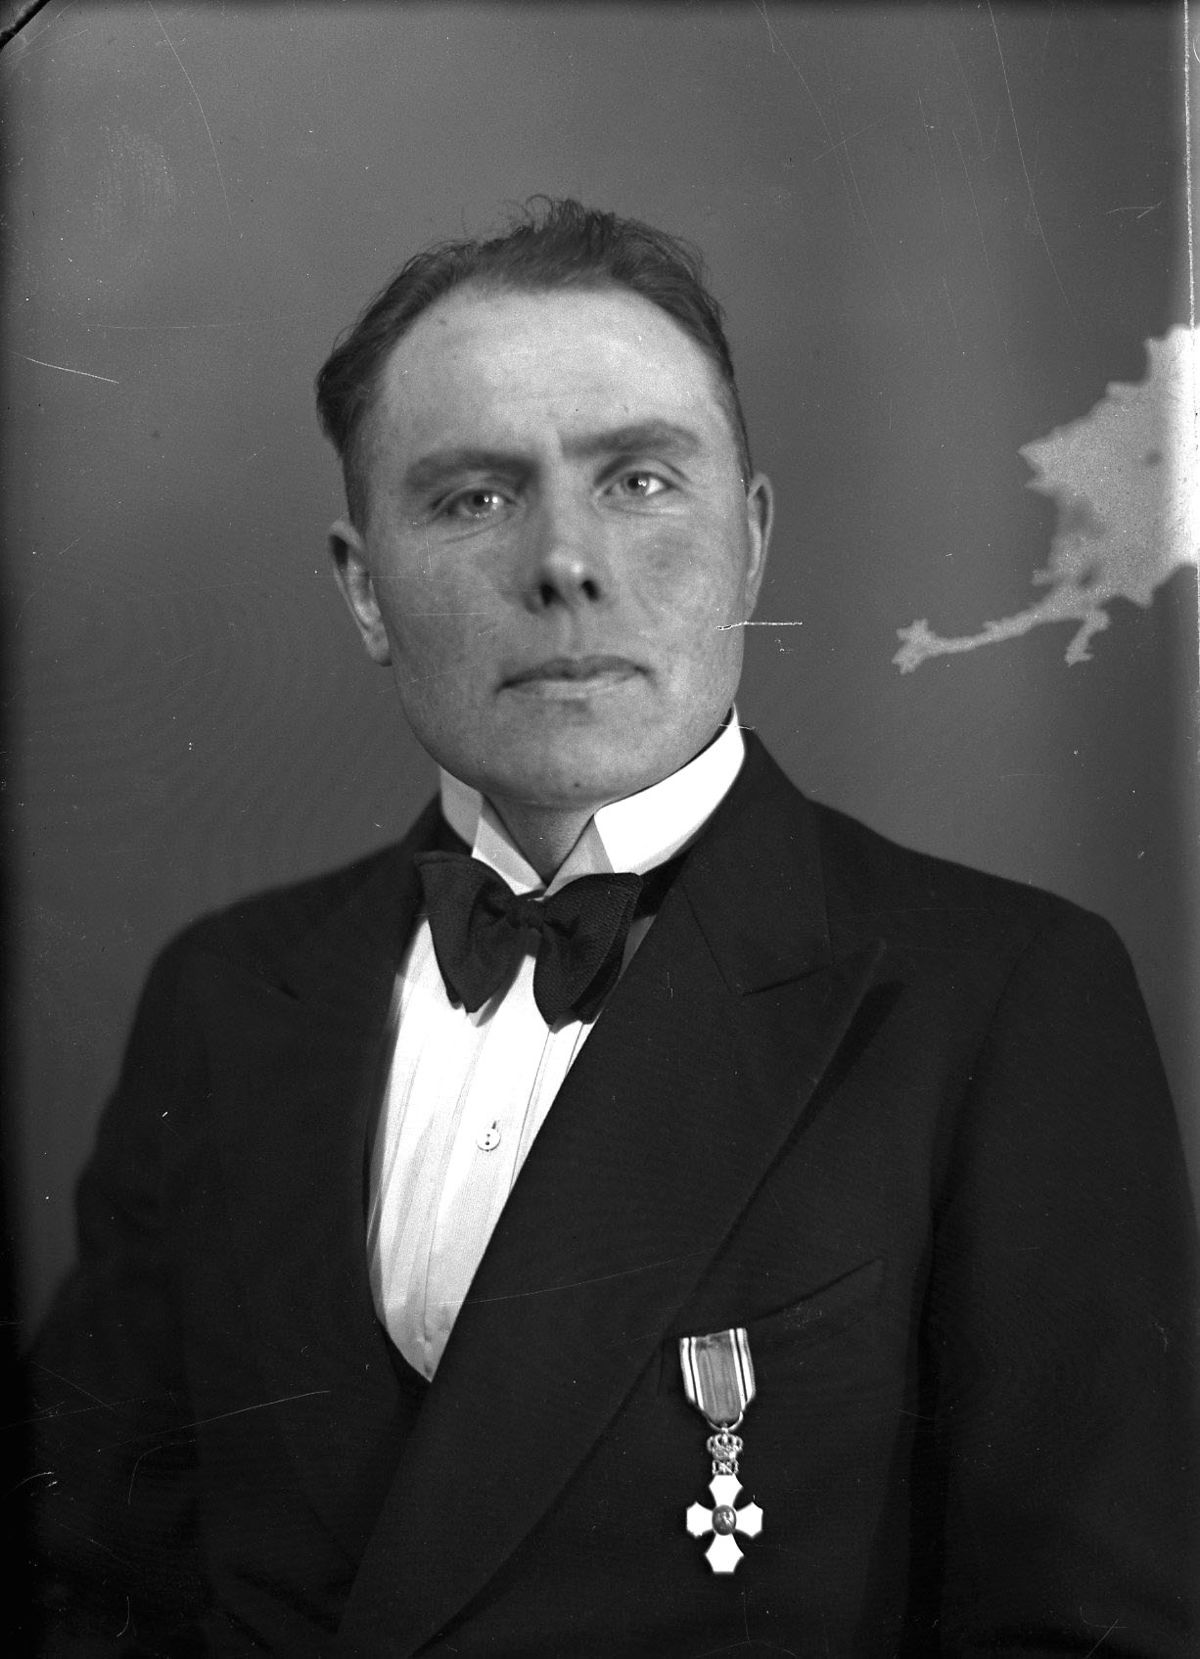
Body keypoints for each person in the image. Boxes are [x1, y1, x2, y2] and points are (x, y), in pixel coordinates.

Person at [26, 199, 1196, 1657]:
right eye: (474, 498)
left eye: (639, 480)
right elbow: (81, 1580)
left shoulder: (1002, 999)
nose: (565, 563)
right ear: (364, 589)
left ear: (749, 544)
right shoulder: (224, 996)